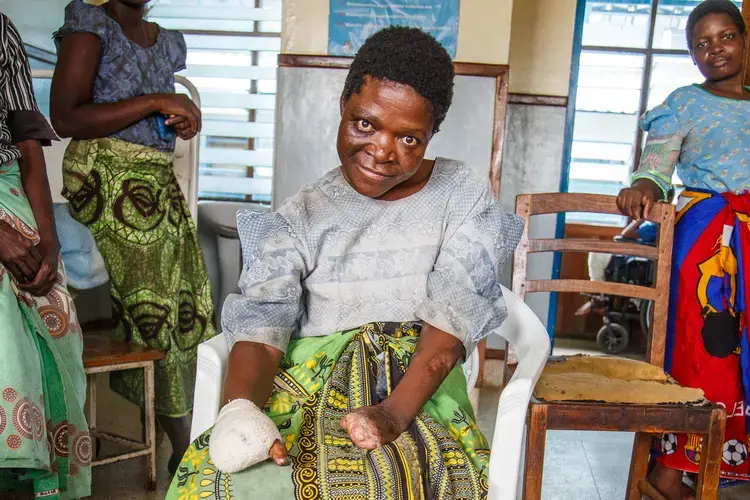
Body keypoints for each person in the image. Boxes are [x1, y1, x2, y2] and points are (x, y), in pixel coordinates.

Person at [166, 27, 524, 499]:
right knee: (230, 482)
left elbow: (449, 325)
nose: (382, 151)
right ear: (343, 105)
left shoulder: (461, 193)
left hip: (416, 391)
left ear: (433, 134)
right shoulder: (301, 216)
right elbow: (262, 324)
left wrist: (392, 416)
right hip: (306, 387)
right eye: (365, 124)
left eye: (410, 139)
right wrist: (240, 412)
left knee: (388, 484)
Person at [50, 0, 216, 473]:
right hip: (104, 177)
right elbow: (66, 117)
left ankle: (187, 423)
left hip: (153, 180)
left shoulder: (164, 39)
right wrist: (158, 102)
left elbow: (158, 122)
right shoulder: (91, 25)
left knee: (191, 299)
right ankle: (184, 446)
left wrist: (179, 120)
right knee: (156, 301)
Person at [617, 1, 750, 497]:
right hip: (709, 239)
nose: (715, 49)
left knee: (744, 361)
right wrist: (645, 187)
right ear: (692, 56)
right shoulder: (685, 102)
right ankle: (669, 470)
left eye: (725, 37)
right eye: (702, 43)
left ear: (743, 37)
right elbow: (655, 165)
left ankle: (723, 467)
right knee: (703, 353)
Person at [0, 13, 90, 500]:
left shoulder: (3, 32)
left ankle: (42, 478)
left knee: (55, 311)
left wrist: (48, 241)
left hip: (8, 187)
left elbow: (27, 146)